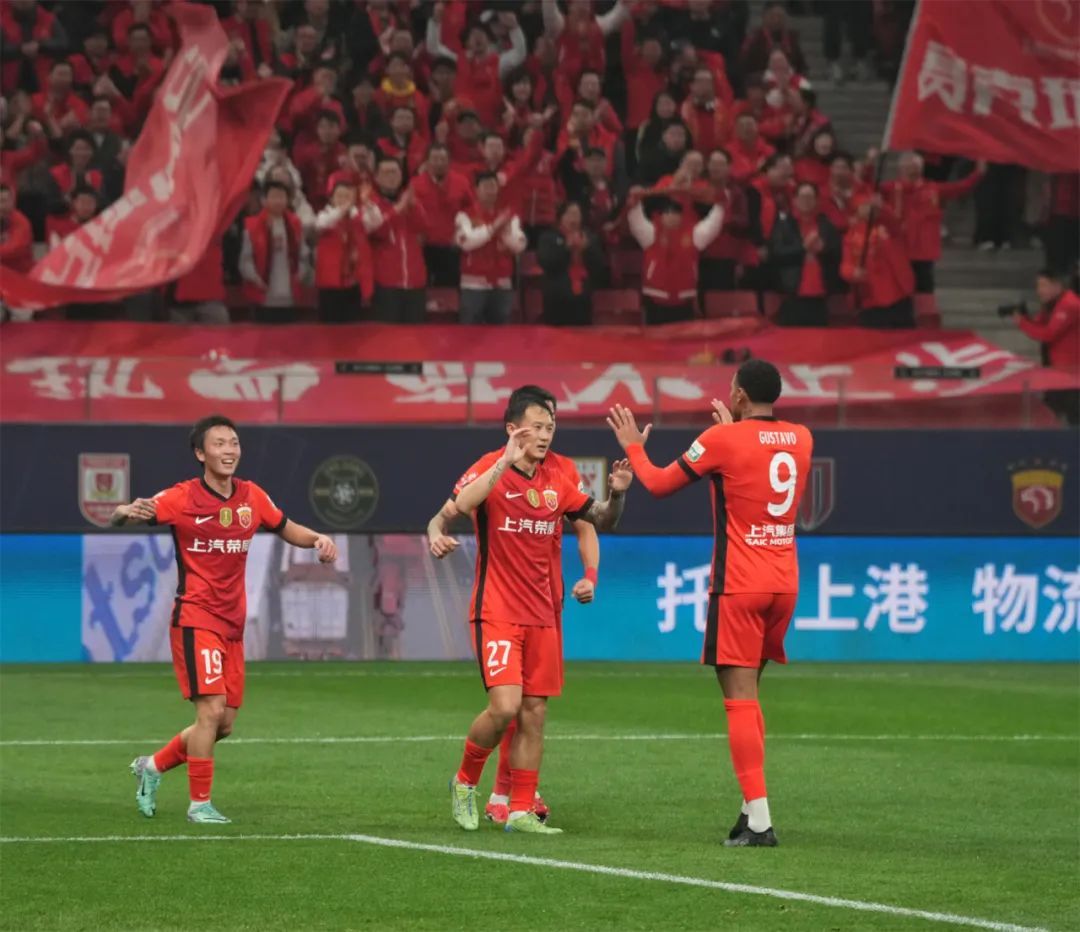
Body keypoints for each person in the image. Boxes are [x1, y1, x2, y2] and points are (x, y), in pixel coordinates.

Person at [606, 358, 813, 847]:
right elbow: (755, 459)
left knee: (737, 698)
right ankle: (750, 809)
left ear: (739, 395)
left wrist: (633, 447)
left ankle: (760, 823)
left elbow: (659, 483)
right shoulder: (802, 438)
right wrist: (732, 434)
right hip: (784, 583)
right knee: (751, 693)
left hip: (740, 584)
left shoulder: (723, 439)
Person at [116, 414, 337, 825]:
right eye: (219, 443)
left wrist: (318, 540)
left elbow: (286, 527)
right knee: (210, 711)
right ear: (201, 453)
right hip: (196, 616)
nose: (229, 450)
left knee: (223, 725)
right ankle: (199, 804)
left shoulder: (252, 496)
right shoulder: (182, 497)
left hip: (233, 624)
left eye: (233, 442)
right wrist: (123, 511)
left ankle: (152, 766)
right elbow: (122, 515)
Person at [448, 391, 631, 834]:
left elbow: (600, 519)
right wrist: (504, 461)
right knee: (505, 707)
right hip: (497, 609)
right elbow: (463, 504)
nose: (546, 435)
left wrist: (617, 495)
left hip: (544, 612)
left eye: (551, 428)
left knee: (534, 714)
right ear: (514, 430)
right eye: (537, 427)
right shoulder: (491, 468)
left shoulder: (557, 480)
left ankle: (520, 809)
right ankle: (465, 781)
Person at [877, 151, 985, 293]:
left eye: (915, 166)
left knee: (924, 289)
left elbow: (961, 187)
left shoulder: (933, 189)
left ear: (921, 168)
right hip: (899, 248)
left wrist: (979, 172)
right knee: (900, 289)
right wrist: (869, 166)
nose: (912, 170)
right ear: (900, 169)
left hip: (923, 250)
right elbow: (865, 189)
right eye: (908, 166)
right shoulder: (890, 188)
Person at [628, 190, 724, 324]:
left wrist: (720, 206)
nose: (671, 216)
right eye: (667, 212)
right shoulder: (651, 233)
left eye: (675, 212)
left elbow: (712, 225)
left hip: (685, 300)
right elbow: (636, 222)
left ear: (681, 216)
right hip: (655, 300)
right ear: (661, 215)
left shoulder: (694, 235)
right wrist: (635, 205)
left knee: (683, 337)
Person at [360, 156, 429, 323]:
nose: (391, 176)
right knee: (387, 335)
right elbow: (375, 230)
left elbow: (424, 228)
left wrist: (413, 206)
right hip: (386, 284)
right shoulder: (370, 204)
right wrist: (397, 209)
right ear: (376, 177)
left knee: (417, 335)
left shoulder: (411, 202)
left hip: (415, 282)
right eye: (386, 172)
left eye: (395, 172)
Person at [455, 171, 527, 325]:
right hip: (473, 285)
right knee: (469, 333)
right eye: (486, 186)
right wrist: (493, 229)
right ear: (476, 190)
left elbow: (520, 244)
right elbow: (466, 242)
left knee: (501, 334)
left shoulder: (508, 215)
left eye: (493, 186)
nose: (490, 190)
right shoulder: (464, 216)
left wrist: (505, 235)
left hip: (502, 283)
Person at [767, 182, 840, 326]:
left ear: (817, 201)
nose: (806, 201)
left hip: (820, 298)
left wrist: (823, 250)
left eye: (810, 197)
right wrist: (803, 248)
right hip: (792, 296)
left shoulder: (826, 226)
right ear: (795, 200)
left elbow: (837, 255)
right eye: (802, 197)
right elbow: (775, 254)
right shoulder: (784, 225)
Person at [1012, 269, 1080, 424]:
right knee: (1051, 413)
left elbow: (1049, 334)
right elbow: (1039, 324)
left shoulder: (1069, 304)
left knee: (1071, 416)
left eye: (1044, 285)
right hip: (1059, 372)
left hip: (1072, 373)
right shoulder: (1051, 305)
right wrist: (1025, 318)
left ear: (1057, 286)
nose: (1039, 291)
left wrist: (1023, 323)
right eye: (1038, 286)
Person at [840, 193, 915, 328]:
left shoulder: (888, 227)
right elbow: (845, 266)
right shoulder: (850, 237)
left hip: (899, 295)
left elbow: (894, 223)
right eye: (865, 205)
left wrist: (882, 207)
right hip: (871, 298)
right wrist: (853, 272)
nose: (869, 208)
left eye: (871, 205)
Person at [239, 180, 309, 324]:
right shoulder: (252, 226)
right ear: (264, 200)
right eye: (274, 197)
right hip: (263, 295)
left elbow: (303, 255)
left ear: (287, 200)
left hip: (289, 295)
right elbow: (245, 260)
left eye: (281, 197)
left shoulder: (295, 224)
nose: (278, 201)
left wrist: (299, 275)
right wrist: (256, 279)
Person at [410, 142, 471, 288]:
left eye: (443, 159)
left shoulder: (461, 182)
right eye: (435, 159)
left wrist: (462, 232)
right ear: (427, 162)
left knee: (449, 291)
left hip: (452, 247)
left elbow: (471, 210)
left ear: (449, 162)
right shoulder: (415, 184)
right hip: (424, 247)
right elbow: (409, 214)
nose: (439, 163)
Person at [537, 201, 607, 325]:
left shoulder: (590, 238)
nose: (573, 218)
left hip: (583, 301)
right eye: (570, 214)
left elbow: (599, 267)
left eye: (576, 214)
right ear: (561, 218)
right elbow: (546, 262)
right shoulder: (548, 238)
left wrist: (587, 249)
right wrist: (566, 248)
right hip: (556, 301)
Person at [314, 178, 372, 323]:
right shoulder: (325, 215)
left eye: (347, 196)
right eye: (340, 196)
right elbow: (321, 224)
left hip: (352, 280)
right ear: (331, 198)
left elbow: (375, 222)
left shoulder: (356, 218)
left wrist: (367, 204)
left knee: (351, 327)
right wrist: (342, 210)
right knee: (329, 326)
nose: (343, 200)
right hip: (330, 282)